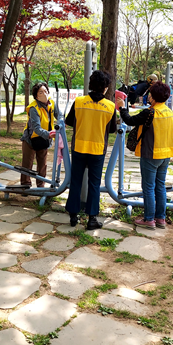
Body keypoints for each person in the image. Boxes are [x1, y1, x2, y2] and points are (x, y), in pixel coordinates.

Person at [116, 82, 173, 230]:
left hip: (150, 154)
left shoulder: (150, 112)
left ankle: (149, 219)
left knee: (148, 187)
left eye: (150, 94)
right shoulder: (169, 112)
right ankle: (160, 218)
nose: (148, 96)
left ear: (153, 97)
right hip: (166, 155)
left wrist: (122, 108)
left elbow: (130, 120)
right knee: (160, 186)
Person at [65, 70, 117, 229]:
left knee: (76, 181)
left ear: (90, 84)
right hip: (97, 149)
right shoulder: (110, 106)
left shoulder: (79, 101)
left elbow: (69, 121)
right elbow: (112, 129)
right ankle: (92, 218)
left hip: (79, 147)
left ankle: (73, 215)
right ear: (106, 87)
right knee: (94, 184)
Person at [20, 82, 60, 187]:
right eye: (41, 92)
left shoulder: (51, 103)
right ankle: (25, 185)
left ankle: (41, 186)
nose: (44, 94)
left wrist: (62, 122)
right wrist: (50, 134)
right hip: (30, 139)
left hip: (44, 139)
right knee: (27, 164)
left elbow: (59, 115)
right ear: (36, 96)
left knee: (42, 165)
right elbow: (36, 129)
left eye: (45, 91)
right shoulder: (34, 108)